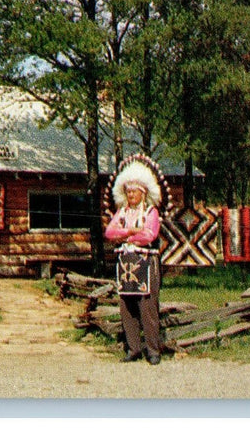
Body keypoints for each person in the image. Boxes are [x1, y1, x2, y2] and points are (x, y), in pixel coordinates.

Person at [104, 155, 164, 365]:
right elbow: (110, 232)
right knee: (127, 306)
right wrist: (131, 230)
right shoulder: (122, 212)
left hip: (146, 264)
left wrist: (127, 236)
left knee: (147, 308)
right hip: (126, 263)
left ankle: (153, 350)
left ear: (143, 193)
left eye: (134, 192)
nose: (130, 195)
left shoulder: (150, 212)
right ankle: (133, 349)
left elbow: (149, 235)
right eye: (128, 191)